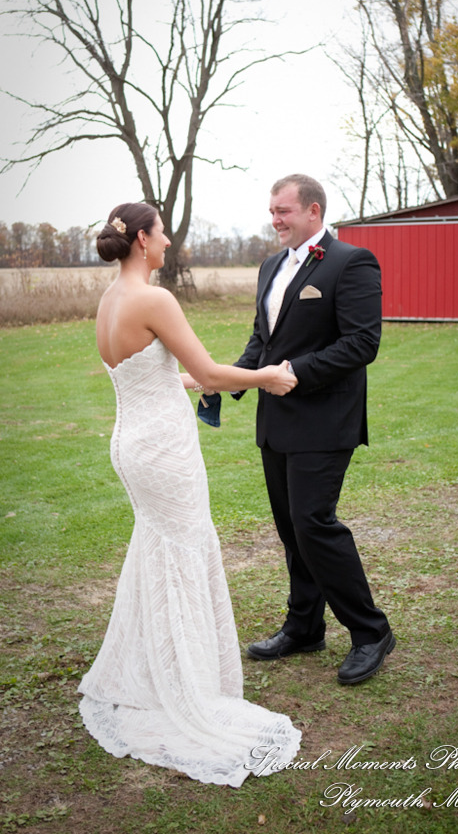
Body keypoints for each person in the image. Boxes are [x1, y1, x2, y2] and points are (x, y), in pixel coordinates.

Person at [78, 202, 301, 787]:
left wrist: (180, 379)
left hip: (132, 443)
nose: (167, 241)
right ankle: (187, 687)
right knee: (182, 551)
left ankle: (159, 670)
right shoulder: (155, 299)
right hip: (163, 450)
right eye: (161, 232)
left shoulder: (111, 299)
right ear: (142, 240)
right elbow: (212, 373)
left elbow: (140, 372)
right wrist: (268, 377)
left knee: (159, 549)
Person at [233, 174, 395, 685]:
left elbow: (362, 343)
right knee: (291, 529)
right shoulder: (271, 266)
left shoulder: (352, 262)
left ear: (313, 211)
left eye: (283, 211)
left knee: (313, 523)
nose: (274, 220)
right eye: (271, 211)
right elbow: (263, 340)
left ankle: (370, 632)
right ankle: (304, 628)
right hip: (275, 421)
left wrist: (295, 373)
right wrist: (228, 381)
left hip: (325, 419)